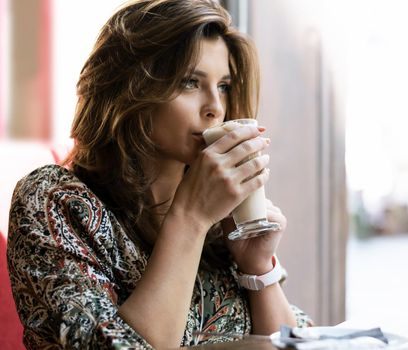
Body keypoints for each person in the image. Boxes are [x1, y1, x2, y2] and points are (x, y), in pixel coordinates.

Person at [6, 0, 311, 348]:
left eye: (223, 85)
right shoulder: (55, 200)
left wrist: (258, 268)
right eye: (190, 82)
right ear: (131, 88)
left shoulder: (223, 217)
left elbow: (298, 343)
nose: (216, 107)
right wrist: (191, 217)